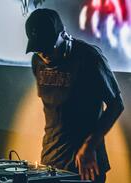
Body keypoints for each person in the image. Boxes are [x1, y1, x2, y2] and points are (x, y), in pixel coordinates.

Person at [25, 9, 124, 183]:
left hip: (86, 164)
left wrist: (89, 145)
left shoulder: (89, 58)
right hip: (51, 160)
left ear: (63, 35)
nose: (44, 54)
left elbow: (117, 104)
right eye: (39, 49)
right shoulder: (37, 61)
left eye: (49, 46)